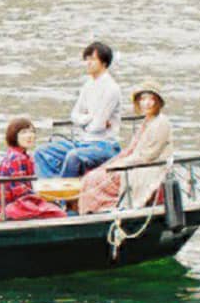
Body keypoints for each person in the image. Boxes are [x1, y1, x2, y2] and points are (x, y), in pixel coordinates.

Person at [79, 81, 175, 214]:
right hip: (136, 162)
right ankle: (92, 211)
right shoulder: (147, 121)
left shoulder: (161, 123)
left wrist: (122, 164)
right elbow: (131, 150)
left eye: (151, 99)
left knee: (97, 180)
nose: (146, 103)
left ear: (158, 101)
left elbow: (148, 156)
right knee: (92, 176)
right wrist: (112, 163)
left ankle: (104, 208)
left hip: (149, 167)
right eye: (143, 99)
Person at [35, 40, 123, 178]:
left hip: (105, 145)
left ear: (104, 62)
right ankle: (53, 187)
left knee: (74, 156)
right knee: (41, 151)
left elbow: (97, 127)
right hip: (82, 142)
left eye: (92, 59)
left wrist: (87, 122)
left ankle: (63, 196)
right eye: (87, 59)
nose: (88, 63)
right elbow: (74, 115)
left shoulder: (111, 88)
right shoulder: (88, 85)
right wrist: (89, 118)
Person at [0, 116, 38, 212]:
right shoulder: (16, 158)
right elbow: (20, 192)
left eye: (31, 131)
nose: (29, 135)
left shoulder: (22, 156)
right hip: (13, 208)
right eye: (24, 132)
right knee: (58, 212)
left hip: (14, 205)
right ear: (14, 136)